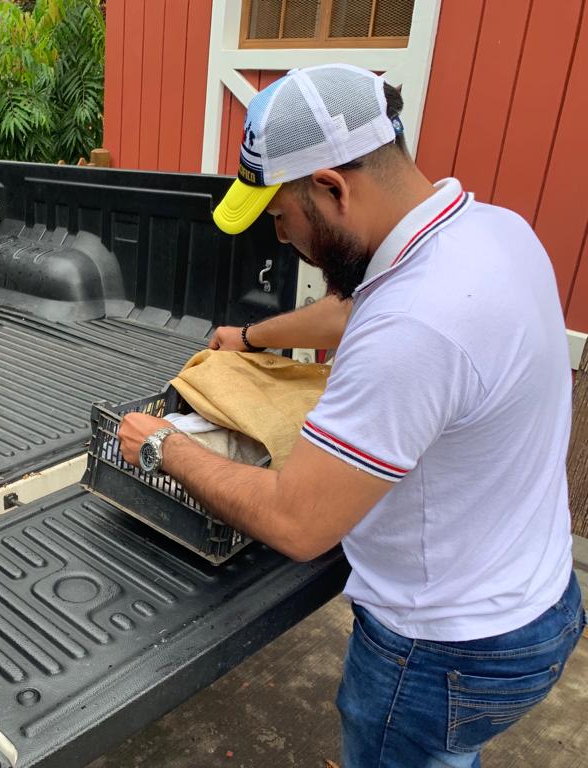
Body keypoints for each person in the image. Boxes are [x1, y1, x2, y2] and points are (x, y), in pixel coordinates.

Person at [118, 64, 583, 767]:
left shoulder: (413, 330)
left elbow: (297, 523)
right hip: (539, 599)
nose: (281, 241)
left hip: (442, 653)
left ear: (330, 188)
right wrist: (249, 338)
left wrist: (161, 447)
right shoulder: (491, 232)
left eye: (281, 217)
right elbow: (355, 307)